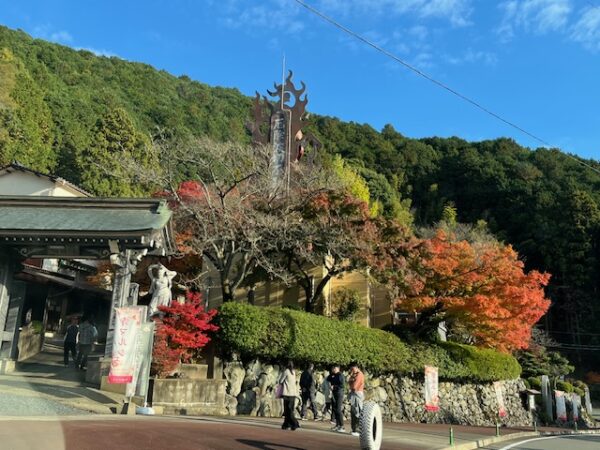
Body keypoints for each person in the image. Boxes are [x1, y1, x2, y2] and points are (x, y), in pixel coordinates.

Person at [278, 360, 300, 431]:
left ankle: (295, 423)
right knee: (290, 410)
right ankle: (286, 424)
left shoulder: (286, 371)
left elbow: (280, 381)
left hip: (287, 393)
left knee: (287, 410)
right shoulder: (293, 372)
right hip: (293, 393)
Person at [327, 364, 346, 433]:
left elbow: (342, 385)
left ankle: (342, 426)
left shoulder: (340, 375)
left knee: (338, 409)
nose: (333, 369)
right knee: (334, 409)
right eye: (333, 368)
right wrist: (330, 385)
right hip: (333, 393)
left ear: (338, 369)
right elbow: (328, 379)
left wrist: (334, 386)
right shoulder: (332, 375)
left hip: (339, 393)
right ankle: (337, 425)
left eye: (335, 368)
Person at [348, 361, 365, 437]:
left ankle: (358, 430)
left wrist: (351, 383)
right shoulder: (354, 374)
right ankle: (354, 429)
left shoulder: (360, 374)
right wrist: (351, 377)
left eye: (353, 368)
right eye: (351, 368)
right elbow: (349, 382)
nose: (352, 370)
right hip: (353, 394)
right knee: (353, 411)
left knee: (357, 411)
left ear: (356, 367)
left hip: (357, 393)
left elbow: (354, 386)